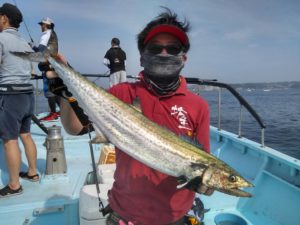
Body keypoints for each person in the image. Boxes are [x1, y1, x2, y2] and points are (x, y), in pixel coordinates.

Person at [49, 8, 213, 225]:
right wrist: (64, 93)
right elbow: (75, 128)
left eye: (172, 48)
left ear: (184, 57)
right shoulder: (122, 93)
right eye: (155, 48)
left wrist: (205, 184)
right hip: (124, 214)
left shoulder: (198, 105)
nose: (164, 54)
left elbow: (204, 163)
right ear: (142, 56)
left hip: (175, 216)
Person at [0, 3, 39, 197]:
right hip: (28, 95)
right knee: (26, 134)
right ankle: (32, 172)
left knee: (9, 140)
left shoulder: (0, 39)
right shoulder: (25, 43)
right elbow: (31, 69)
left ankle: (14, 185)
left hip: (11, 95)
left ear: (4, 18)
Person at [35, 17, 60, 121]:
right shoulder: (53, 34)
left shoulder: (46, 34)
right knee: (55, 89)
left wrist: (32, 47)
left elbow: (40, 50)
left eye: (42, 24)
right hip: (53, 65)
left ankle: (53, 113)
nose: (41, 26)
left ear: (46, 25)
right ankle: (60, 111)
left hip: (48, 66)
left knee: (49, 90)